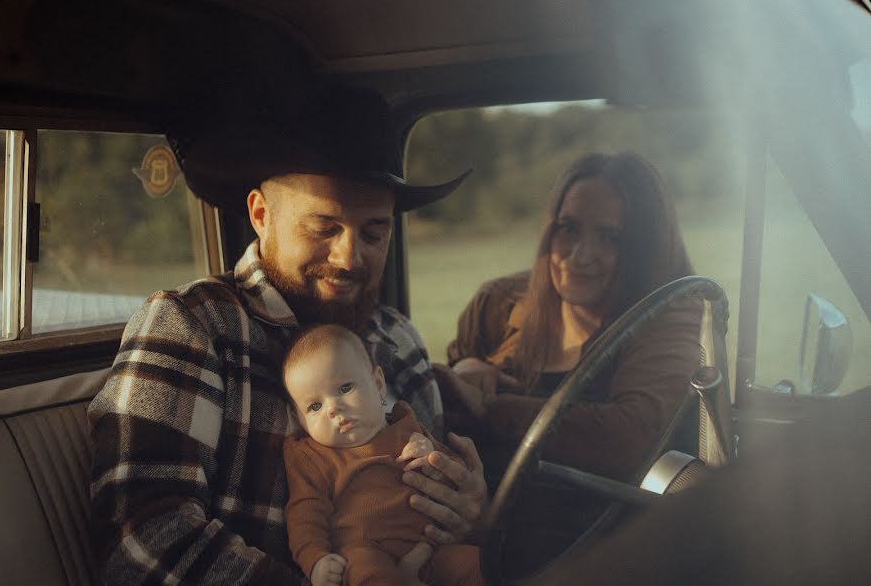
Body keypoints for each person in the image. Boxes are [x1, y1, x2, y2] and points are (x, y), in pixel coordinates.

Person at [88, 81, 487, 585]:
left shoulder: (398, 339)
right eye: (324, 228)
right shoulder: (191, 326)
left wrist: (465, 509)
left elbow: (430, 502)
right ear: (261, 215)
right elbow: (142, 541)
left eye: (373, 232)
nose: (349, 258)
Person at [440, 151, 702, 482]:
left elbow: (629, 441)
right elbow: (443, 419)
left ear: (644, 249)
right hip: (480, 518)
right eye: (569, 229)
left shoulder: (669, 315)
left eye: (610, 238)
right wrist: (465, 370)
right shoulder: (497, 304)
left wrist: (488, 407)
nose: (580, 255)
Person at [282, 324, 485, 586]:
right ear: (299, 419)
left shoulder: (407, 427)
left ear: (378, 384)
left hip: (431, 549)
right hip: (363, 551)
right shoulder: (312, 456)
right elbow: (304, 515)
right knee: (370, 575)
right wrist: (316, 560)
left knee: (477, 564)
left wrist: (433, 458)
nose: (334, 408)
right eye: (315, 406)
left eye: (344, 388)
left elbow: (457, 479)